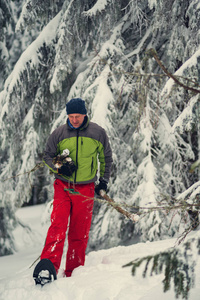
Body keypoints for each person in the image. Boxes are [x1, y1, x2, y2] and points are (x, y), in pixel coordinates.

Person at [38, 98, 113, 279]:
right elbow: (47, 156)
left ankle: (74, 271)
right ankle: (48, 267)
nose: (74, 120)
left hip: (85, 189)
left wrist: (103, 181)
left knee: (79, 232)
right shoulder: (59, 133)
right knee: (58, 226)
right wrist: (59, 166)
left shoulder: (98, 133)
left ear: (84, 114)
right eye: (71, 116)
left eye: (77, 116)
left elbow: (106, 158)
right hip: (62, 186)